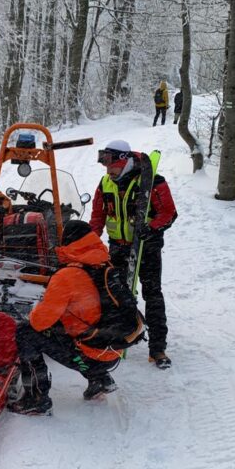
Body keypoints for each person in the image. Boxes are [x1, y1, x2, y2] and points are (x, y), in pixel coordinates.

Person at [10, 220, 144, 416]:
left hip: (90, 354)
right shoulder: (104, 264)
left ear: (68, 243)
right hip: (113, 350)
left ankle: (36, 399)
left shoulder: (67, 276)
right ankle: (99, 380)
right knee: (77, 326)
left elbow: (39, 322)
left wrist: (35, 312)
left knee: (26, 333)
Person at [89, 139, 178, 369]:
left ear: (124, 160)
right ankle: (117, 339)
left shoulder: (152, 182)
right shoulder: (105, 184)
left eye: (110, 163)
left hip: (146, 245)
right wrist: (89, 240)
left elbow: (169, 212)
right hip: (118, 246)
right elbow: (98, 216)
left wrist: (153, 228)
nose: (108, 169)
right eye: (104, 164)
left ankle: (157, 349)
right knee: (114, 294)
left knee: (152, 294)